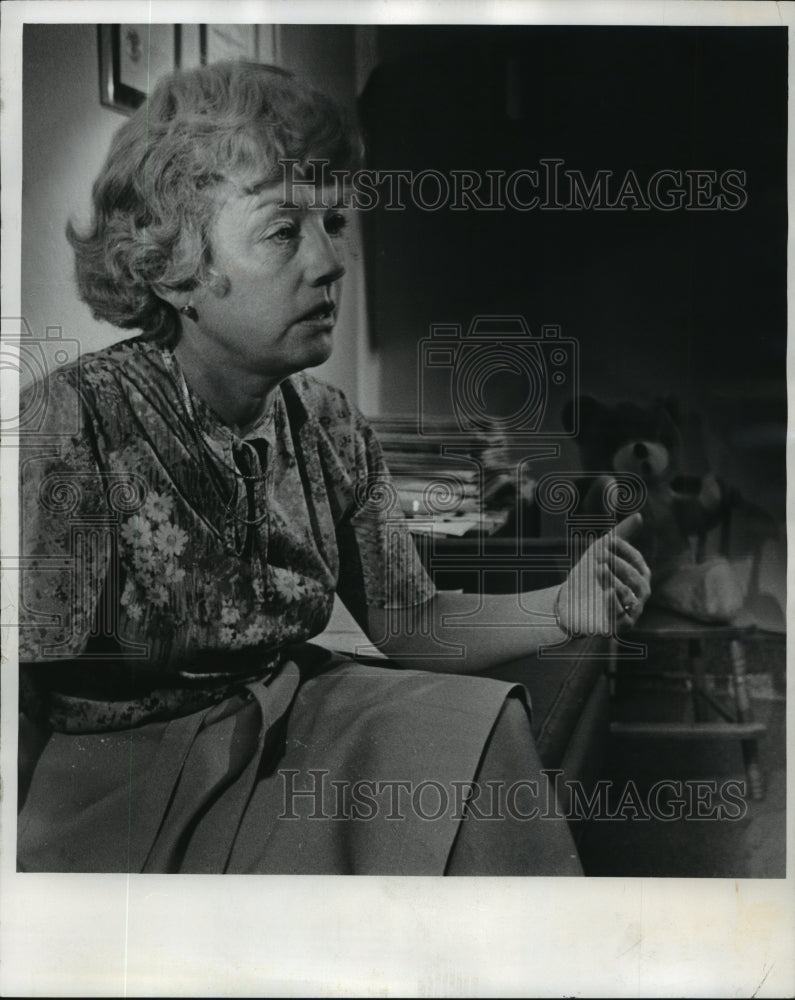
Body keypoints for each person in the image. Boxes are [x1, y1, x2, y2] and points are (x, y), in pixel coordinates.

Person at [17, 61, 650, 875]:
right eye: (284, 232)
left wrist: (561, 606)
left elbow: (411, 622)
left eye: (333, 224)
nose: (329, 263)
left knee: (484, 731)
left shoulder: (329, 425)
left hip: (291, 723)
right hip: (124, 780)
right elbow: (18, 698)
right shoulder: (74, 421)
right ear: (173, 268)